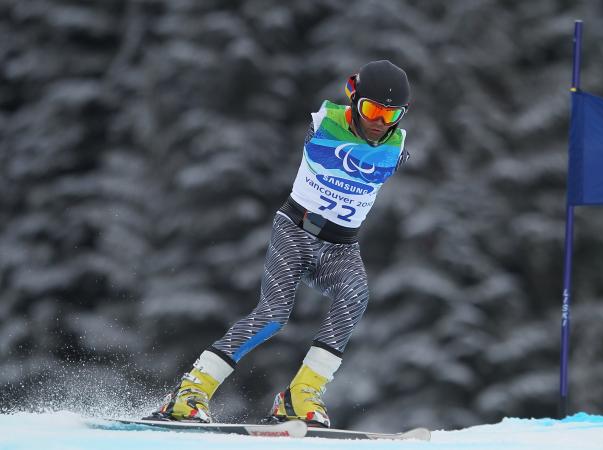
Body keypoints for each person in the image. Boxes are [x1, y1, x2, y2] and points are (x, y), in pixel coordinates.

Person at [146, 60, 412, 428]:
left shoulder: (396, 142)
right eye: (371, 109)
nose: (379, 122)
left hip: (341, 247)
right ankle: (191, 392)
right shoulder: (325, 123)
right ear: (354, 100)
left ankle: (300, 395)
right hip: (296, 231)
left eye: (390, 115)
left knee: (355, 296)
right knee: (273, 315)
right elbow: (333, 153)